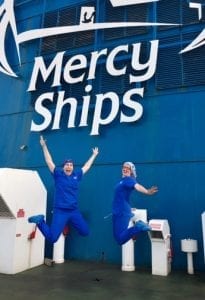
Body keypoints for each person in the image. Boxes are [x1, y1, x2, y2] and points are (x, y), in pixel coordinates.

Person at [28, 135, 99, 244]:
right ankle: (40, 221)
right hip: (60, 211)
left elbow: (86, 166)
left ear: (73, 167)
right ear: (63, 167)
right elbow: (49, 161)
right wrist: (44, 146)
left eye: (71, 165)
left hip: (74, 211)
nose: (69, 166)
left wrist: (94, 155)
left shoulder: (77, 175)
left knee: (85, 232)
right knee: (52, 238)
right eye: (67, 165)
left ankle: (44, 222)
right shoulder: (58, 174)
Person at [112, 161, 158, 245]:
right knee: (118, 238)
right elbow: (123, 196)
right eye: (124, 167)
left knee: (119, 239)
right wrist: (129, 208)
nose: (125, 169)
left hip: (121, 212)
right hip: (120, 210)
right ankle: (137, 227)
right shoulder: (123, 181)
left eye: (127, 168)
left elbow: (137, 186)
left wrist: (147, 191)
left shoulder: (129, 180)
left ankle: (138, 226)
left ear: (131, 171)